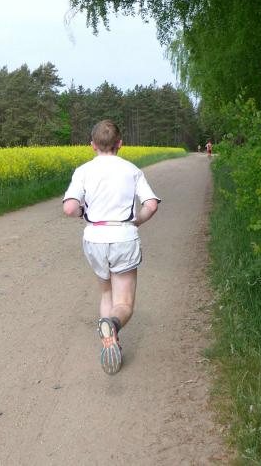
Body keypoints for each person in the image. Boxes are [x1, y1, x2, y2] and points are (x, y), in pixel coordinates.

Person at [62, 120, 160, 375]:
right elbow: (151, 204)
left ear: (92, 145)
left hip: (95, 239)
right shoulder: (132, 170)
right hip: (123, 236)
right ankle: (113, 325)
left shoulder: (83, 171)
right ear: (120, 144)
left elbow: (69, 208)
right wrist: (137, 221)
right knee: (124, 303)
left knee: (106, 294)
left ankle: (108, 340)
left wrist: (84, 213)